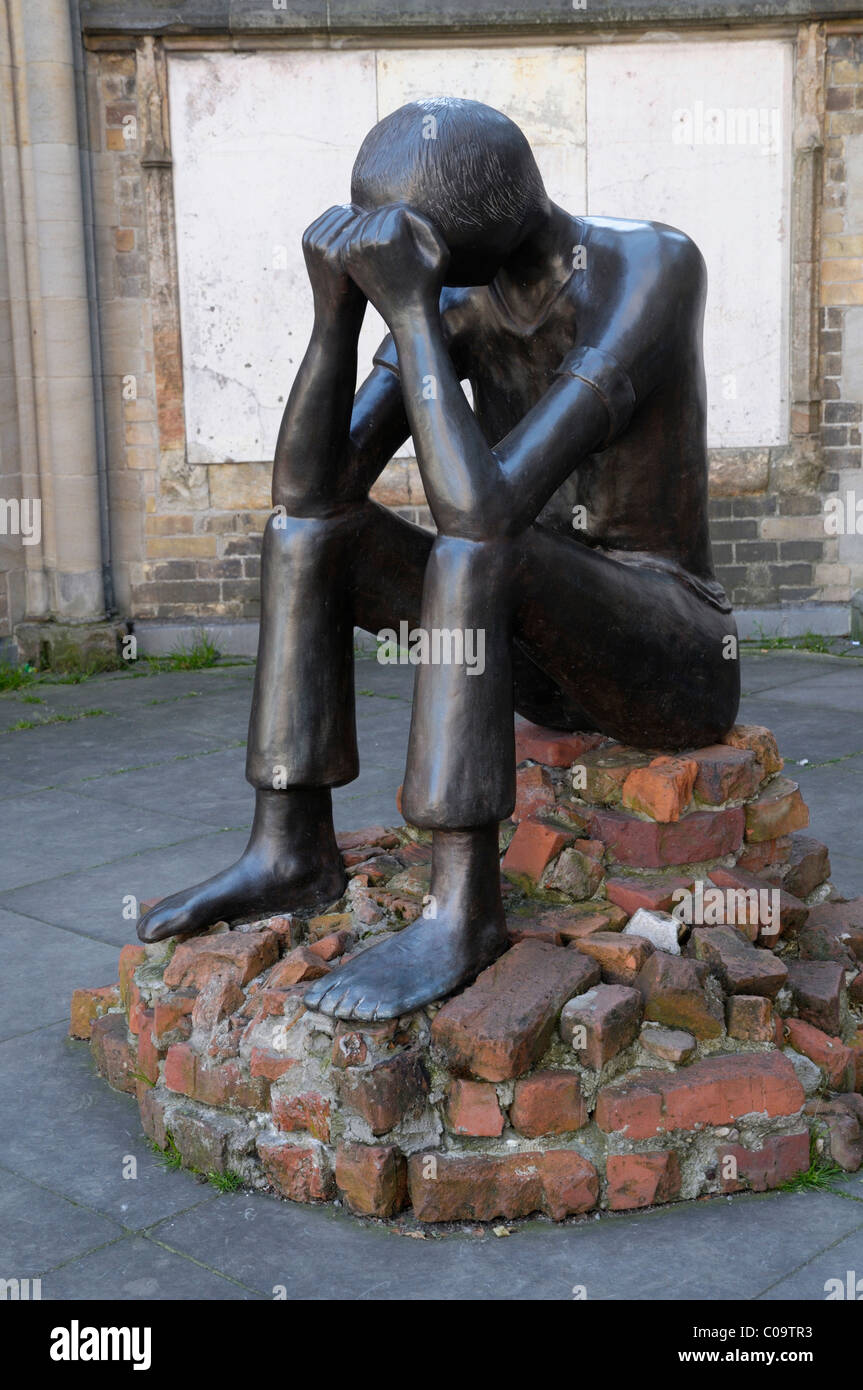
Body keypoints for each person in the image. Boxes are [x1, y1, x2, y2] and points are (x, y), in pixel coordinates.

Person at [138, 97, 739, 1023]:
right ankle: (290, 846)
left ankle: (464, 907)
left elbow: (488, 513)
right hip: (531, 646)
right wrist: (335, 319)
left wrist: (415, 312)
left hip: (670, 654)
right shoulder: (458, 296)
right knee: (309, 534)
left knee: (484, 545)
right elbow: (307, 488)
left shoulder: (649, 266)